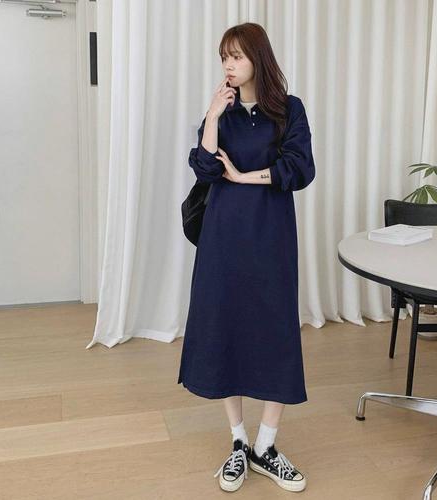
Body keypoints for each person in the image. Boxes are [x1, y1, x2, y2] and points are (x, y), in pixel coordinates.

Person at [177, 22, 315, 493]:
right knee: (226, 329)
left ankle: (267, 446)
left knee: (276, 333)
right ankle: (238, 442)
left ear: (258, 57)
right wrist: (214, 115)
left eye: (236, 56)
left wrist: (243, 177)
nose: (229, 65)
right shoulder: (223, 112)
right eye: (224, 58)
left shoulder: (289, 110)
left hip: (271, 236)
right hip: (222, 239)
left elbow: (300, 168)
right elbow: (203, 166)